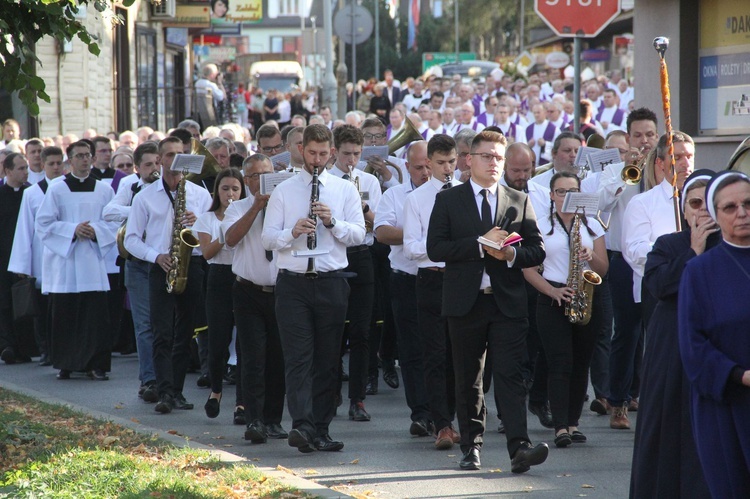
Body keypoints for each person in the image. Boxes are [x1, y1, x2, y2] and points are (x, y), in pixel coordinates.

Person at [426, 130, 549, 473]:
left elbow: (537, 250)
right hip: (465, 302)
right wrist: (480, 246)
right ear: (469, 159)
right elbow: (436, 248)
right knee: (469, 379)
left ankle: (519, 448)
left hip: (507, 302)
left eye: (498, 157)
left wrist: (509, 253)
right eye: (486, 156)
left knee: (510, 376)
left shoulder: (517, 199)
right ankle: (471, 447)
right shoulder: (449, 200)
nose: (493, 162)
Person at [261, 124, 365, 453]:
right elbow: (267, 238)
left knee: (328, 360)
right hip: (293, 284)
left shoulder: (343, 189)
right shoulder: (284, 190)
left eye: (323, 154)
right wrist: (291, 232)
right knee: (297, 359)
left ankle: (321, 427)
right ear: (302, 150)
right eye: (312, 153)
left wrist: (333, 223)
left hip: (332, 282)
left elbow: (359, 235)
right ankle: (302, 426)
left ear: (331, 152)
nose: (317, 160)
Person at [629, 170, 718, 499]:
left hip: (716, 353)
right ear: (684, 209)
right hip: (672, 354)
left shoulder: (734, 247)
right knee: (667, 432)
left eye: (710, 203)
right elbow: (661, 286)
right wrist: (693, 251)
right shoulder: (667, 244)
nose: (702, 211)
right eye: (695, 203)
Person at [124, 137, 212, 413]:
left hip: (192, 265)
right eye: (170, 155)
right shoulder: (144, 197)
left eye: (180, 154)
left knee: (185, 333)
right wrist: (156, 256)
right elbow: (131, 239)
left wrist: (199, 225)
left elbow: (212, 234)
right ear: (160, 160)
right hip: (161, 266)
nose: (175, 159)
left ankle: (177, 391)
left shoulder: (199, 194)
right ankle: (163, 391)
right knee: (161, 332)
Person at [678, 170, 750, 499]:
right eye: (730, 207)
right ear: (716, 215)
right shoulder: (699, 271)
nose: (742, 213)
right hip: (726, 404)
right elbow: (692, 346)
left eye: (749, 204)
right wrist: (739, 375)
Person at [522, 172, 608, 447]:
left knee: (581, 363)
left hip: (585, 295)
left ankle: (574, 422)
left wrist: (591, 257)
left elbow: (604, 269)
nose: (566, 197)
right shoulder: (539, 225)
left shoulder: (592, 224)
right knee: (559, 362)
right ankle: (560, 426)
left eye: (572, 191)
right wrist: (553, 290)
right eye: (561, 192)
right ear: (551, 195)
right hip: (552, 297)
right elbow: (527, 270)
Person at [35, 141, 118, 380]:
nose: (84, 160)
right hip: (67, 263)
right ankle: (66, 363)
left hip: (92, 261)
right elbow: (44, 223)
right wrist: (73, 230)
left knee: (95, 316)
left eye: (87, 155)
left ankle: (96, 365)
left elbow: (114, 222)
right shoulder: (57, 189)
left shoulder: (104, 190)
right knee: (66, 314)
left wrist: (96, 231)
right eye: (79, 156)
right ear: (69, 161)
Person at [223, 154, 288, 443]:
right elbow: (231, 239)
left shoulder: (286, 204)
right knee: (252, 357)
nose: (263, 181)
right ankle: (255, 420)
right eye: (256, 177)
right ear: (247, 181)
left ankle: (274, 419)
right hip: (248, 290)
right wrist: (257, 206)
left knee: (278, 357)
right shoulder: (237, 207)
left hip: (283, 290)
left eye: (268, 175)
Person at [403, 134, 461, 451]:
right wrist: (443, 251)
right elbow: (412, 247)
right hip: (431, 280)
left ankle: (459, 418)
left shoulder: (466, 193)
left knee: (461, 355)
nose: (447, 168)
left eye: (451, 162)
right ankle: (442, 424)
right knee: (436, 355)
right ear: (428, 162)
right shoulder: (417, 199)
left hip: (462, 280)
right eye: (440, 163)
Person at [373, 140, 433, 436]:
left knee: (439, 348)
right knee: (411, 350)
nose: (424, 172)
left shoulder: (446, 194)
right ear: (406, 167)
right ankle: (420, 413)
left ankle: (441, 410)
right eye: (418, 167)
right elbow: (382, 232)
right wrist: (419, 236)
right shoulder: (395, 194)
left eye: (428, 166)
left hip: (439, 279)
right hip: (406, 279)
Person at [102, 141, 162, 401]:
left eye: (157, 162)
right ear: (137, 168)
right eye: (148, 164)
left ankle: (169, 380)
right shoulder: (130, 186)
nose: (154, 168)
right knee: (144, 324)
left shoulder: (170, 186)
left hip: (165, 260)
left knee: (167, 323)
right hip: (137, 262)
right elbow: (109, 211)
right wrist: (139, 210)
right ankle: (149, 379)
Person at [194, 168, 244, 420]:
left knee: (245, 341)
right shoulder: (207, 218)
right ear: (217, 191)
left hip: (243, 276)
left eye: (235, 188)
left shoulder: (248, 215)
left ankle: (242, 403)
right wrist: (226, 230)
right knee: (218, 340)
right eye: (225, 188)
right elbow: (207, 253)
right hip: (218, 278)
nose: (230, 194)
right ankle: (215, 391)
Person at [8, 146, 65, 366]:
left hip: (63, 255)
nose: (56, 167)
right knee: (41, 308)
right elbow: (24, 229)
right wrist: (22, 264)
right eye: (51, 164)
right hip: (41, 256)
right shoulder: (32, 192)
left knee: (60, 306)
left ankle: (61, 348)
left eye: (59, 163)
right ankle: (45, 350)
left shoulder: (69, 189)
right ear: (43, 165)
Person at [0, 153, 31, 364]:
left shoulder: (31, 193)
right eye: (20, 168)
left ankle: (24, 347)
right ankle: (6, 345)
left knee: (23, 302)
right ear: (8, 171)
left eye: (26, 168)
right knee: (4, 303)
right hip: (2, 257)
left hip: (23, 256)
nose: (25, 172)